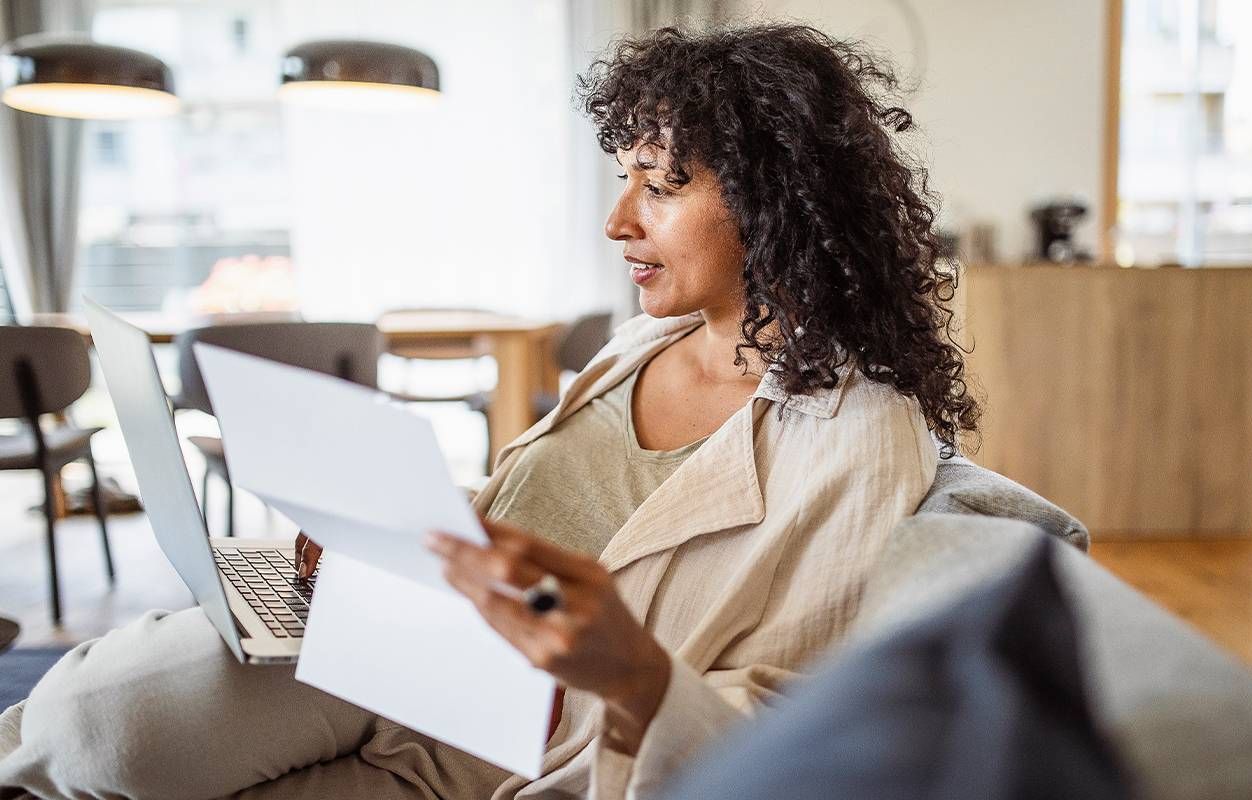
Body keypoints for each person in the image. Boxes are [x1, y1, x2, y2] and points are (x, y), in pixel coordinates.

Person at [0, 23, 979, 800]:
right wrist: (393, 526)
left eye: (662, 183)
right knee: (93, 716)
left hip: (524, 720)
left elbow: (803, 725)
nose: (618, 219)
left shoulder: (860, 435)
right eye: (622, 176)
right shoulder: (642, 343)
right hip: (419, 625)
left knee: (104, 737)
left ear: (777, 201)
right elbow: (558, 507)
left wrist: (633, 672)